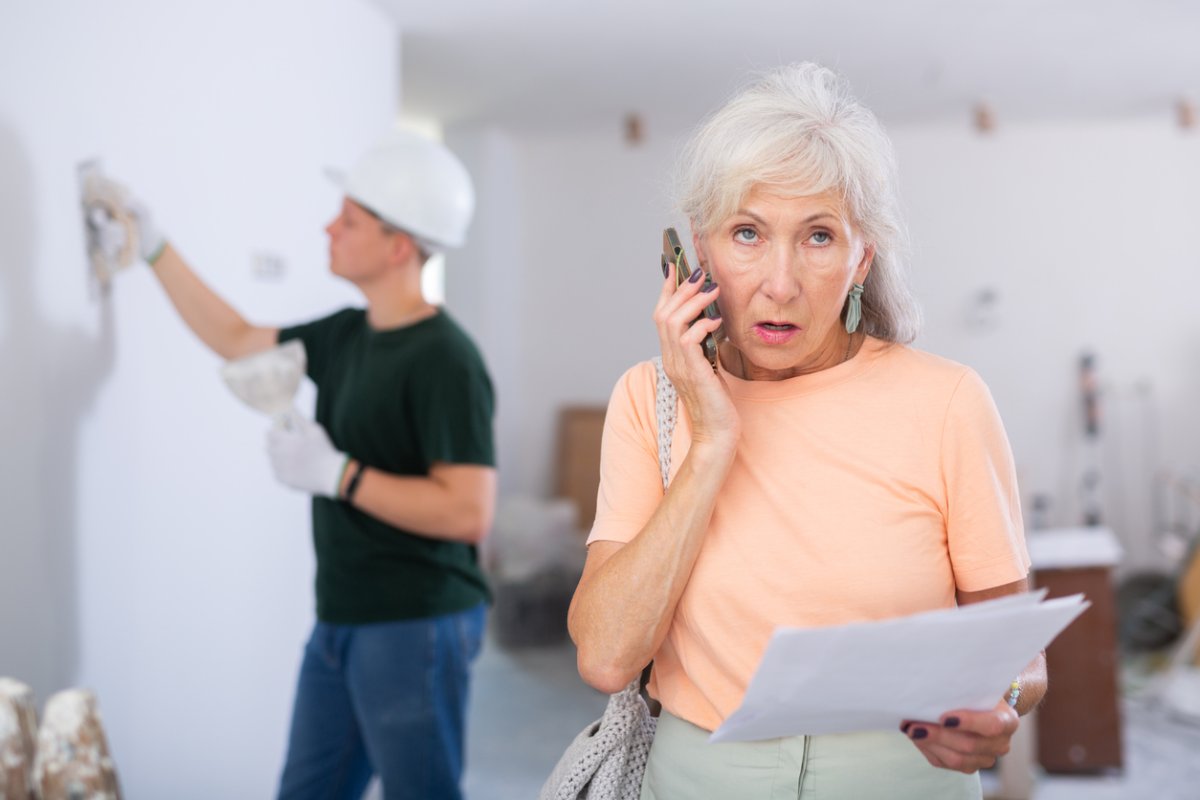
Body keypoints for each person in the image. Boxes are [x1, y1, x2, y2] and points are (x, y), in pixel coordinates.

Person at [567, 63, 1045, 799]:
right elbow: (604, 657)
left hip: (900, 779)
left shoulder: (946, 401)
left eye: (818, 236)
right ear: (698, 253)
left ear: (861, 259)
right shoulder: (648, 400)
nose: (780, 282)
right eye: (748, 233)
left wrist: (1001, 703)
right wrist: (711, 444)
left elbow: (1019, 658)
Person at [113, 130, 496, 800]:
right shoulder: (347, 333)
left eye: (348, 220)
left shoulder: (445, 359)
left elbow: (468, 511)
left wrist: (339, 475)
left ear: (398, 246)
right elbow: (237, 339)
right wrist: (154, 248)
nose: (329, 227)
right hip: (341, 616)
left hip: (416, 624)